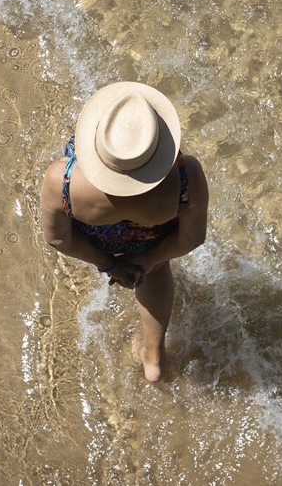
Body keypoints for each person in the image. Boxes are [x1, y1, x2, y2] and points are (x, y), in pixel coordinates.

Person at [40, 82, 209, 382]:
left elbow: (58, 237)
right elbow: (191, 238)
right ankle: (153, 358)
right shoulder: (186, 178)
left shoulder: (61, 182)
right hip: (151, 234)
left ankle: (153, 354)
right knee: (156, 272)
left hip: (99, 235)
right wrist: (149, 259)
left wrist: (109, 263)